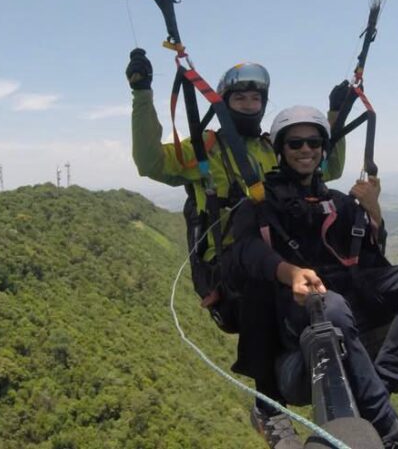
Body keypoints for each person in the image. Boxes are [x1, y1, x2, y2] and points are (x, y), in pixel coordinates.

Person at [125, 49, 348, 448]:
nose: (249, 105)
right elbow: (150, 162)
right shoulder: (204, 149)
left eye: (255, 99)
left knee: (339, 276)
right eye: (240, 99)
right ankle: (270, 410)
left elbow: (326, 166)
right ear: (226, 103)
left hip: (277, 255)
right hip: (231, 266)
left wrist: (336, 117)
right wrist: (142, 92)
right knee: (263, 281)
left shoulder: (270, 148)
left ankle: (355, 400)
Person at [227, 106, 398, 449]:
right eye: (296, 143)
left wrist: (374, 211)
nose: (306, 150)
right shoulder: (261, 204)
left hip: (349, 293)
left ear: (323, 149)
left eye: (314, 143)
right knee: (332, 308)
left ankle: (379, 386)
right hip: (299, 306)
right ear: (281, 150)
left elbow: (373, 258)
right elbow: (245, 253)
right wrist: (290, 274)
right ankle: (390, 431)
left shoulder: (338, 202)